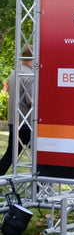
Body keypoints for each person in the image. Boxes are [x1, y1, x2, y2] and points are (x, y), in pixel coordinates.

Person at [0, 46, 34, 176]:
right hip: (26, 123)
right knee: (42, 155)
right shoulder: (29, 75)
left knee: (10, 155)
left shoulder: (15, 72)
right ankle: (39, 187)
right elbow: (32, 100)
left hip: (14, 121)